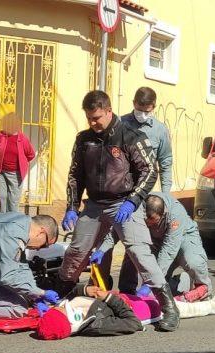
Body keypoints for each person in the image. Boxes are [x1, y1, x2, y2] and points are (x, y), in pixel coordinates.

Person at [59, 90, 180, 332]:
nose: (93, 123)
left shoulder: (130, 135)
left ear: (108, 111)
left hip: (124, 203)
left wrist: (133, 201)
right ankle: (61, 293)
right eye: (89, 118)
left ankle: (168, 306)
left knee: (138, 252)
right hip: (94, 204)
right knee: (76, 250)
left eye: (97, 118)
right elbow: (75, 175)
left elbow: (149, 171)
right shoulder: (83, 139)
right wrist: (72, 207)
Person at [95, 193, 212, 299]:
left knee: (193, 262)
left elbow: (168, 250)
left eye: (153, 221)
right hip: (155, 241)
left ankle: (202, 287)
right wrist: (102, 249)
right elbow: (118, 230)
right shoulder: (136, 207)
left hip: (183, 237)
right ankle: (127, 291)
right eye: (146, 220)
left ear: (163, 214)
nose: (149, 224)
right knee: (134, 248)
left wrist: (152, 282)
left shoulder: (175, 214)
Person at [35, 284, 215, 340]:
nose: (59, 305)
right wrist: (108, 298)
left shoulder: (70, 310)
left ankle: (187, 296)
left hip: (133, 298)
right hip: (146, 311)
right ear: (67, 319)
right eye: (59, 309)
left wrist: (85, 290)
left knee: (168, 297)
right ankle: (214, 305)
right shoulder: (97, 325)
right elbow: (132, 323)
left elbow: (71, 295)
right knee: (182, 308)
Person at [123, 87, 174, 193]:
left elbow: (165, 163)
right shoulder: (120, 124)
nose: (141, 115)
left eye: (146, 111)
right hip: (120, 191)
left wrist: (165, 195)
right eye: (139, 110)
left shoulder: (160, 130)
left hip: (144, 191)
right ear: (134, 103)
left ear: (153, 107)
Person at [0, 106, 36, 213]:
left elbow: (31, 154)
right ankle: (2, 220)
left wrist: (21, 163)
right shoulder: (1, 135)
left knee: (13, 201)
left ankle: (12, 222)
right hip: (2, 172)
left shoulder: (22, 139)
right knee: (2, 196)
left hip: (16, 174)